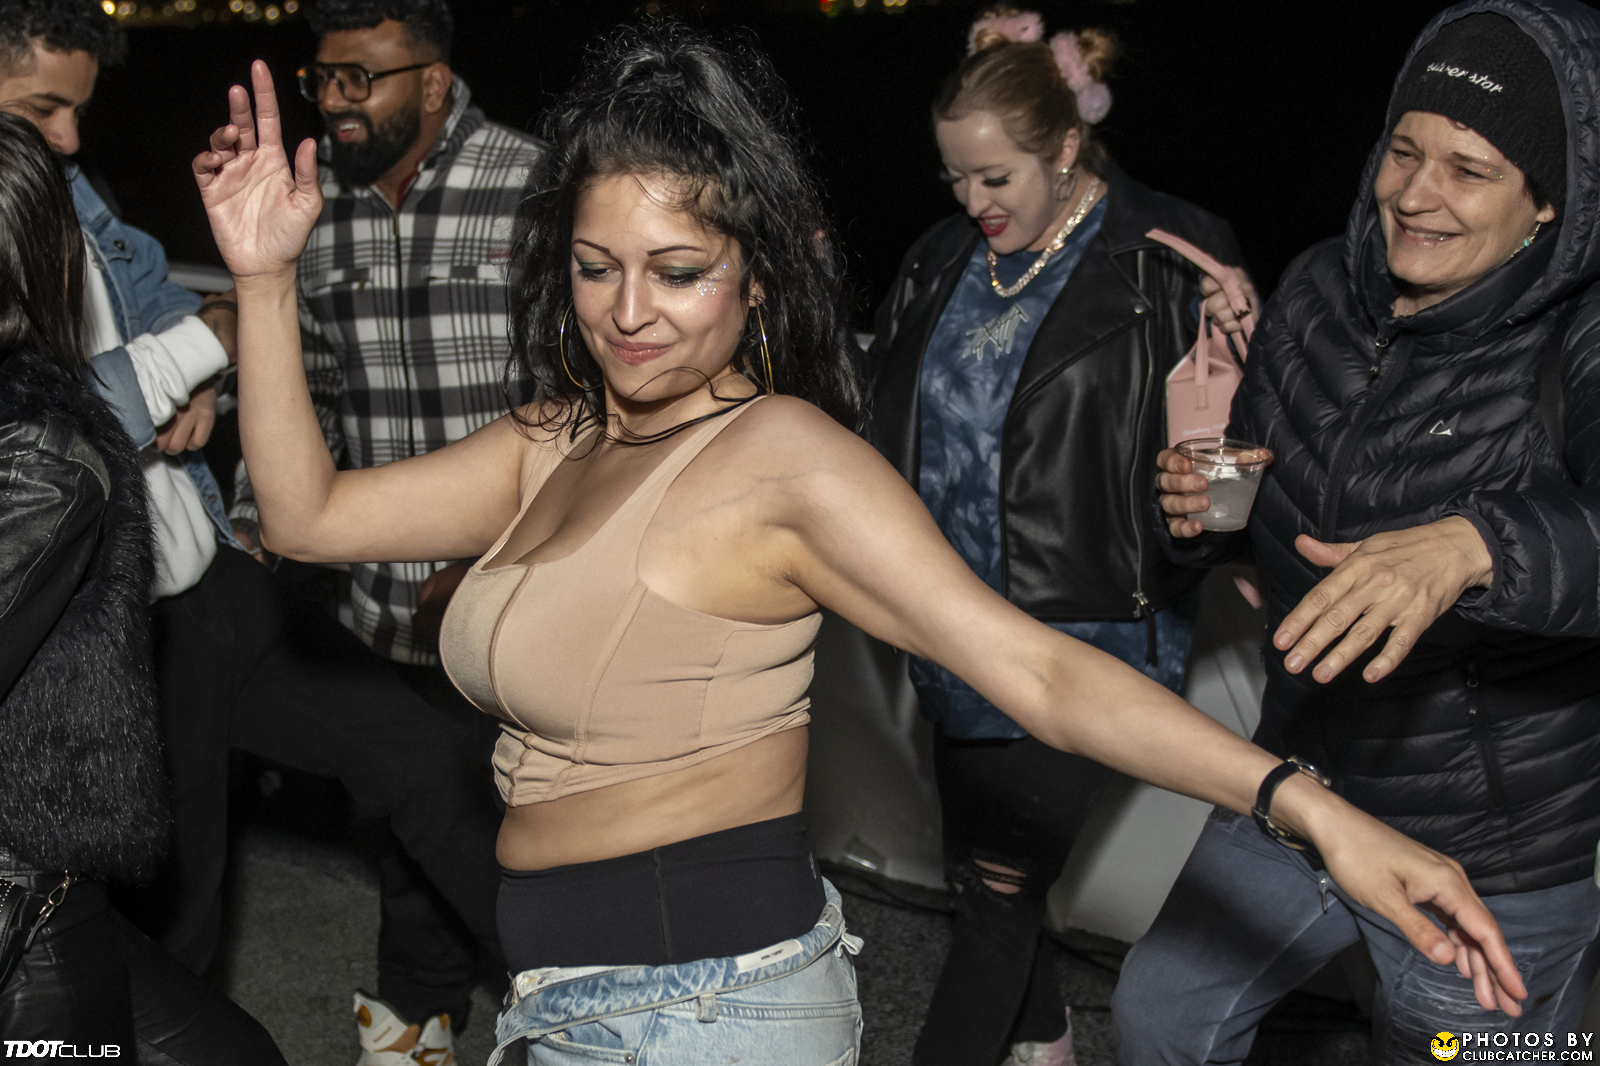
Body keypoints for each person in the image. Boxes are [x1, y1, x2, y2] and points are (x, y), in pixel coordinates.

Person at [193, 22, 1530, 1065]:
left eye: (678, 270)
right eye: (597, 267)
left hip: (706, 1008)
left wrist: (1310, 808)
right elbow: (311, 516)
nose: (627, 313)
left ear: (757, 273)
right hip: (557, 996)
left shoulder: (781, 460)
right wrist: (262, 276)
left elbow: (1039, 671)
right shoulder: (556, 436)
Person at [0, 6, 505, 1060]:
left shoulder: (75, 191)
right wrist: (206, 336)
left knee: (421, 762)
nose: (70, 136)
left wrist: (207, 353)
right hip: (117, 631)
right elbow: (60, 416)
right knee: (177, 915)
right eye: (44, 107)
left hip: (216, 579)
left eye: (79, 109)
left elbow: (153, 327)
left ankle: (592, 1000)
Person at [1123, 0, 1600, 1059]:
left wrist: (1474, 546)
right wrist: (1198, 510)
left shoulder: (1580, 334)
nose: (1415, 194)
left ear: (1547, 203)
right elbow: (1258, 484)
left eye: (1468, 170)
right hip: (1306, 778)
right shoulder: (1317, 290)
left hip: (1492, 845)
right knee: (1160, 1013)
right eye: (1403, 151)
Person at [867, 9, 1256, 1065]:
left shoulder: (1172, 259)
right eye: (954, 178)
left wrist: (1216, 532)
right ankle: (1044, 1040)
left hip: (1091, 633)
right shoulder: (939, 257)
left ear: (1068, 146)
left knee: (1000, 891)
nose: (973, 202)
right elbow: (884, 412)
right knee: (978, 876)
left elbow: (1236, 443)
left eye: (996, 177)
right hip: (949, 626)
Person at [0, 110, 288, 1064]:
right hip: (23, 901)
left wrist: (239, 305)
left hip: (53, 878)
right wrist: (243, 304)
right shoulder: (45, 458)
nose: (69, 134)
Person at [231, 0, 545, 671]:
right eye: (322, 79)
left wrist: (500, 561)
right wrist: (251, 533)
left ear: (432, 84)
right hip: (367, 626)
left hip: (518, 622)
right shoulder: (306, 204)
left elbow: (595, 408)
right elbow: (311, 391)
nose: (332, 100)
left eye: (358, 79)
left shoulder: (537, 185)